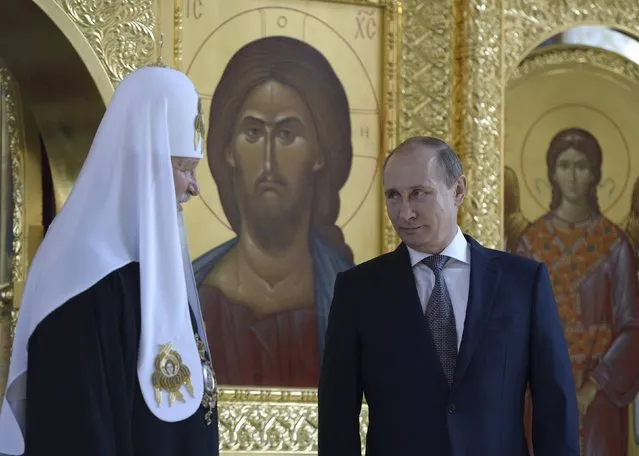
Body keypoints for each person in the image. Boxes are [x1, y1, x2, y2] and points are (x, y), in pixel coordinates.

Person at [0, 64, 219, 455]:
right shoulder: (78, 280)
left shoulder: (154, 276)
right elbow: (76, 435)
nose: (194, 187)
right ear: (143, 163)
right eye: (183, 167)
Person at [317, 136, 580, 455]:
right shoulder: (357, 291)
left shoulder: (522, 283)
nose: (405, 213)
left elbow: (555, 405)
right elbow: (337, 418)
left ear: (458, 190)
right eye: (393, 196)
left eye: (419, 194)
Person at [192, 36, 354, 387]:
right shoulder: (192, 291)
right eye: (252, 133)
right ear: (229, 150)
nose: (268, 161)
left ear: (321, 153)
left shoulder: (352, 295)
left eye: (287, 134)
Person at [511, 128, 639, 455]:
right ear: (552, 173)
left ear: (595, 174)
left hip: (599, 398)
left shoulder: (615, 246)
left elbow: (632, 327)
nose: (572, 175)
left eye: (581, 166)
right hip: (543, 388)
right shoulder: (531, 242)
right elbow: (514, 320)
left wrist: (594, 386)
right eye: (564, 165)